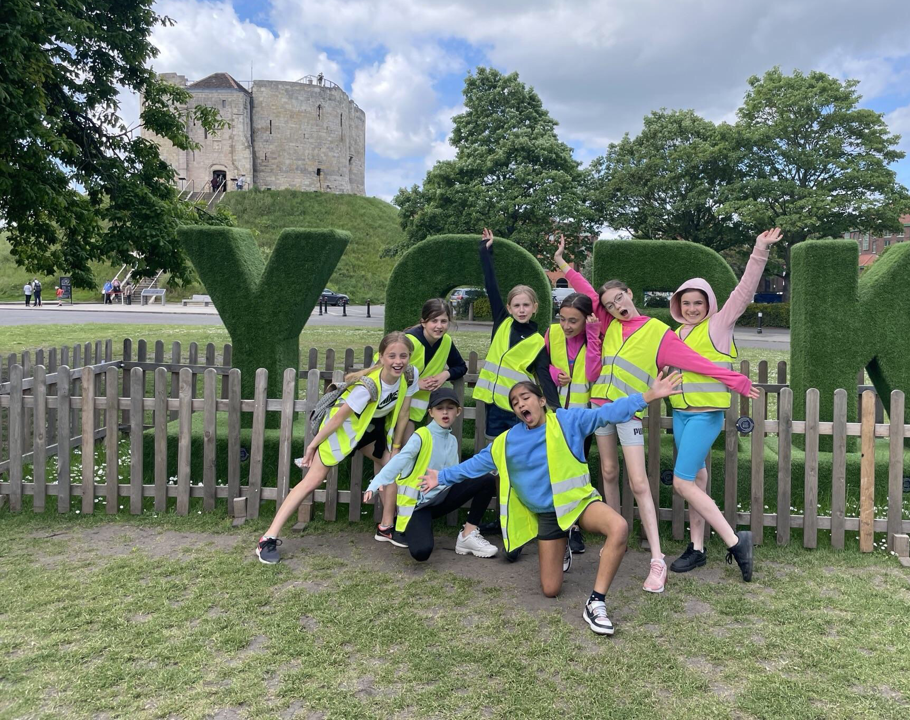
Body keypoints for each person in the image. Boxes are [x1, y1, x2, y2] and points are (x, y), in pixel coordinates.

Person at [555, 241, 758, 593]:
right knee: (609, 472)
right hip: (603, 409)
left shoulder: (658, 332)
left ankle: (661, 557)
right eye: (608, 304)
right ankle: (620, 537)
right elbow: (587, 291)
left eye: (619, 298)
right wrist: (563, 265)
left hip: (633, 411)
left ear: (630, 294)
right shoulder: (607, 322)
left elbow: (696, 362)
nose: (615, 306)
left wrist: (734, 380)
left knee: (645, 482)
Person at [420, 374, 683, 636]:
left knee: (619, 527)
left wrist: (648, 396)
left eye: (525, 397)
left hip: (578, 504)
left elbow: (607, 413)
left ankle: (596, 602)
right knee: (550, 589)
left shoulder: (568, 421)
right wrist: (441, 477)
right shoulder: (508, 441)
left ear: (542, 401)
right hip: (548, 515)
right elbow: (476, 464)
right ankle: (564, 538)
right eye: (515, 403)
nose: (521, 404)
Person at [665, 229, 782, 579]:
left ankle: (734, 541)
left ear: (709, 305)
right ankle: (697, 548)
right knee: (697, 480)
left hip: (705, 416)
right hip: (681, 415)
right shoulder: (676, 333)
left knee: (682, 482)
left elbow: (743, 291)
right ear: (678, 305)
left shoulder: (718, 324)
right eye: (686, 303)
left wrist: (759, 250)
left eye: (697, 303)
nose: (691, 309)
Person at [256, 332, 418, 563]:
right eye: (392, 356)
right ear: (381, 357)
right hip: (341, 433)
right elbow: (337, 419)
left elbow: (403, 413)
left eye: (403, 355)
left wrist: (396, 447)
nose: (398, 361)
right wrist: (312, 446)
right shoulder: (367, 388)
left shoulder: (410, 375)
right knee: (311, 482)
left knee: (391, 467)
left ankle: (386, 527)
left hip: (368, 431)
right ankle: (267, 539)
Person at [364, 388, 498, 561]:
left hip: (443, 498)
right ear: (431, 412)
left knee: (487, 480)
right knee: (422, 552)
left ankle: (468, 534)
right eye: (439, 408)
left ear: (458, 412)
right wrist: (376, 483)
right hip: (419, 506)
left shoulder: (452, 440)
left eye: (450, 408)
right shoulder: (421, 436)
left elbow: (456, 474)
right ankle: (407, 528)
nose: (445, 412)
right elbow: (399, 461)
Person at [474, 227, 560, 440]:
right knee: (494, 450)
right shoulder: (502, 322)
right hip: (493, 404)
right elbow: (491, 286)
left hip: (518, 409)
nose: (521, 310)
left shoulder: (538, 341)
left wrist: (557, 410)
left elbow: (544, 376)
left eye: (526, 305)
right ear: (509, 308)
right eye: (517, 305)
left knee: (517, 451)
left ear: (534, 308)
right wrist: (486, 251)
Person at [545, 279, 603, 555]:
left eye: (573, 321)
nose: (566, 326)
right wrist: (554, 373)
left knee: (577, 474)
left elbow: (592, 373)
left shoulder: (595, 337)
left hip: (581, 420)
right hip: (554, 415)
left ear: (586, 320)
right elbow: (541, 365)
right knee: (551, 470)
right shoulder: (552, 333)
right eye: (562, 319)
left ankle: (574, 527)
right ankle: (552, 522)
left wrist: (592, 335)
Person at [399, 298, 468, 428]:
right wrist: (415, 384)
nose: (439, 326)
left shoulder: (446, 341)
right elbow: (385, 373)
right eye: (434, 321)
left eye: (443, 321)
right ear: (423, 322)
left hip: (414, 412)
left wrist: (445, 375)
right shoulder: (408, 341)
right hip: (391, 405)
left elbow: (461, 367)